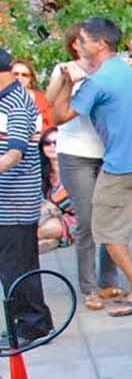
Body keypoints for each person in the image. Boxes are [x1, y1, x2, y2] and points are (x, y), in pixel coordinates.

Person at [46, 17, 132, 319]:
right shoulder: (130, 68)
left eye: (83, 40)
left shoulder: (98, 81)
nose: (78, 44)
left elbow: (59, 117)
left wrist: (69, 84)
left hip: (122, 163)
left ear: (99, 44)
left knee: (105, 231)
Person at [47, 25, 123, 312]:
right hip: (76, 152)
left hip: (108, 152)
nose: (82, 45)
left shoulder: (110, 68)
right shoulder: (65, 68)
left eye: (86, 40)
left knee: (110, 217)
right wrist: (67, 79)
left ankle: (108, 277)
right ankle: (89, 286)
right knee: (88, 219)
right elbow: (53, 101)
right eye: (78, 41)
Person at [0, 48, 48, 345]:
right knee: (11, 265)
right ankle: (24, 321)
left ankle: (33, 325)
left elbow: (15, 153)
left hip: (16, 202)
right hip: (6, 202)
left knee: (18, 266)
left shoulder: (16, 104)